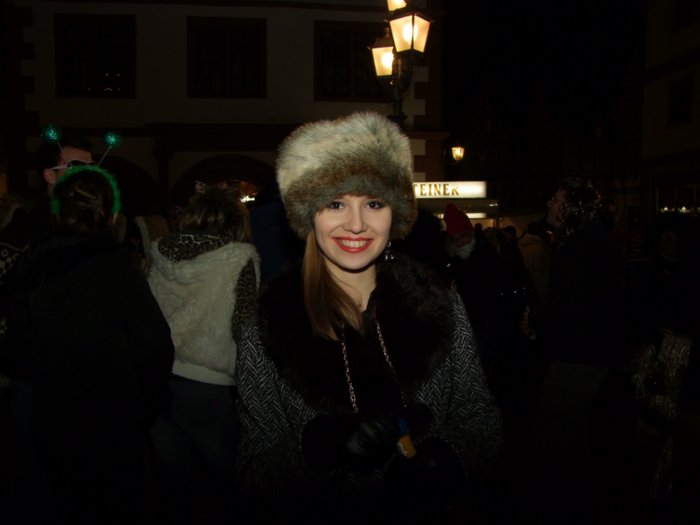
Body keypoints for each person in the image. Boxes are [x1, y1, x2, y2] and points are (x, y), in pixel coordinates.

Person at [235, 112, 503, 525]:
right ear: (309, 216)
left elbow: (481, 420)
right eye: (336, 203)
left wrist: (445, 460)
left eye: (374, 203)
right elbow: (254, 475)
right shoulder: (269, 325)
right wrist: (317, 449)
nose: (357, 224)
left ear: (394, 213)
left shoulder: (439, 305)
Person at [3, 165, 174, 524]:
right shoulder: (116, 266)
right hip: (111, 419)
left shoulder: (32, 261)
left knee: (64, 503)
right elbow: (154, 345)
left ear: (59, 212)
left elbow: (17, 344)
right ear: (110, 216)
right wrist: (145, 406)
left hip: (53, 414)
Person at [147, 185, 261, 524]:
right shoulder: (240, 258)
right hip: (210, 386)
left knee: (176, 489)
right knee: (230, 484)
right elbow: (246, 327)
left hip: (159, 382)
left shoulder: (159, 252)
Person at [529, 176, 628, 524]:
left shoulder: (577, 248)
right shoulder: (589, 244)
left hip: (579, 356)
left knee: (552, 434)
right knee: (571, 432)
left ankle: (562, 506)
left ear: (571, 208)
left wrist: (538, 325)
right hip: (588, 353)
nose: (549, 203)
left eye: (556, 199)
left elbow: (571, 310)